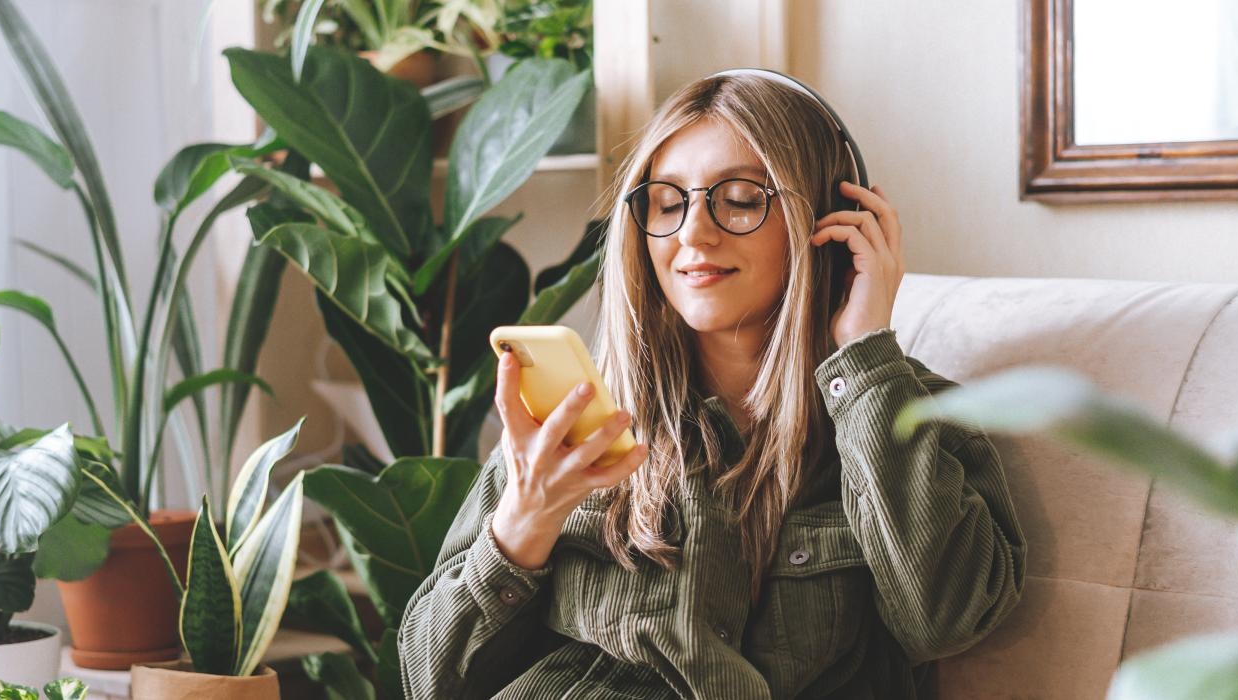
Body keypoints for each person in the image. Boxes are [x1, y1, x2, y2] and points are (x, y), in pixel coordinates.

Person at [398, 69, 1027, 699]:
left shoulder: (906, 415)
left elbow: (946, 619)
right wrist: (521, 526)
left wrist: (865, 353)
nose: (694, 234)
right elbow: (428, 681)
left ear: (831, 220)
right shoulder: (577, 420)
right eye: (669, 204)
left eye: (742, 200)